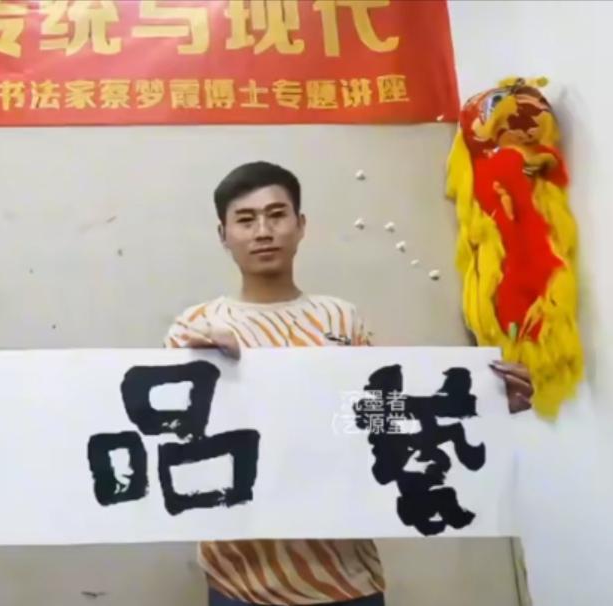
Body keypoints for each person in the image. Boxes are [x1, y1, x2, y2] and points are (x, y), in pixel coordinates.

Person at [164, 162, 534, 606]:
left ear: (301, 226)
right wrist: (211, 373)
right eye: (246, 220)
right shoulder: (196, 327)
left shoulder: (340, 318)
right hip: (239, 580)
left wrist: (483, 408)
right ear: (223, 235)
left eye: (277, 215)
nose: (263, 231)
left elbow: (377, 420)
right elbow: (178, 445)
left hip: (346, 576)